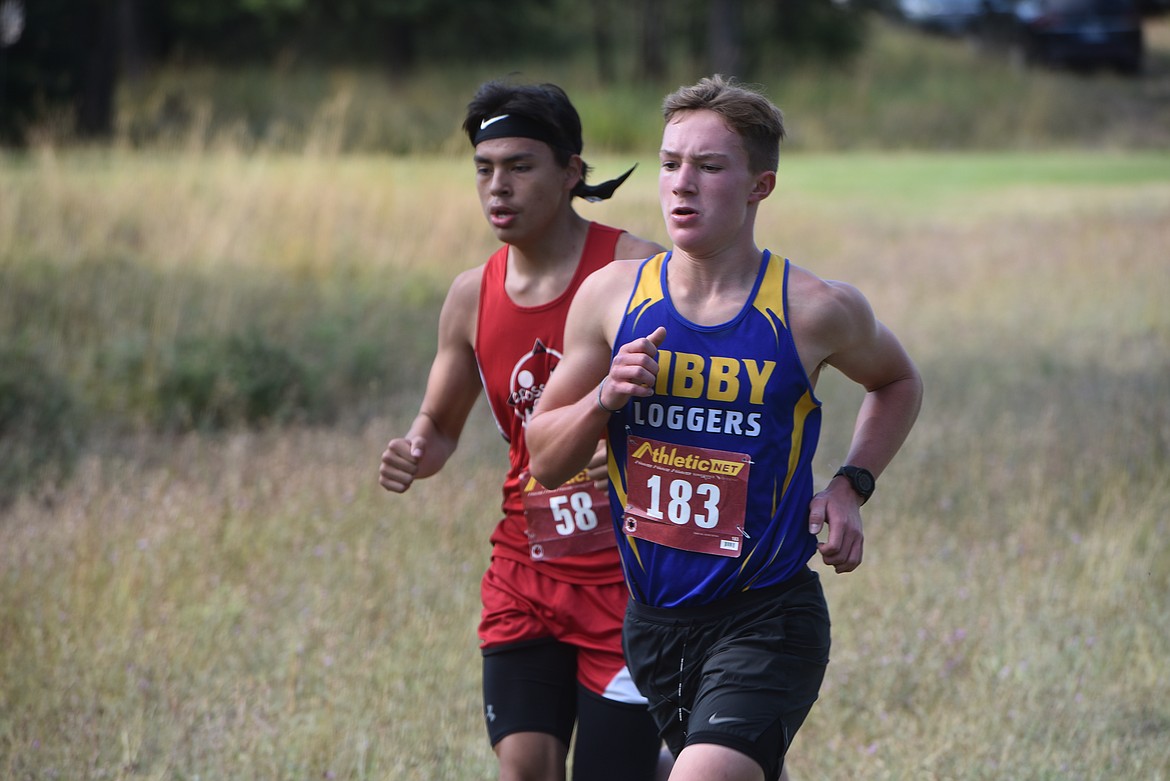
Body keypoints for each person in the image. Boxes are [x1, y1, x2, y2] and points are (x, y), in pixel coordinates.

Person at [526, 75, 924, 781]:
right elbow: (546, 459)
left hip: (766, 616)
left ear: (758, 186)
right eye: (671, 162)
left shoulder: (812, 308)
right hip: (653, 623)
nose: (682, 184)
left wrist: (851, 484)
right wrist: (603, 399)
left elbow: (897, 381)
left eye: (709, 167)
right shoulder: (613, 297)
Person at [378, 80, 670, 781]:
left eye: (520, 166)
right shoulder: (471, 294)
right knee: (524, 769)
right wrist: (418, 448)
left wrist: (631, 449)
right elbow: (442, 425)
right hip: (525, 570)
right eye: (484, 169)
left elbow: (703, 417)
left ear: (572, 170)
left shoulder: (640, 270)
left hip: (629, 581)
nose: (497, 187)